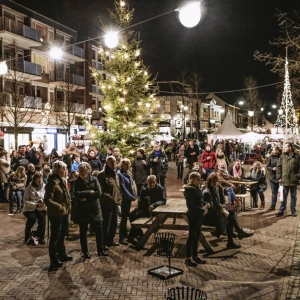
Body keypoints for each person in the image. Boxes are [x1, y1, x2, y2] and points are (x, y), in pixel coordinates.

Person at [202, 174, 253, 249]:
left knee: (230, 215)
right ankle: (237, 234)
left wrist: (223, 207)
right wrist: (223, 207)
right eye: (213, 181)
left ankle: (233, 238)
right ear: (209, 182)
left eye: (216, 181)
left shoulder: (218, 187)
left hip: (218, 212)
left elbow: (222, 200)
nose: (215, 183)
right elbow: (211, 208)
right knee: (230, 217)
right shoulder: (206, 192)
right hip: (210, 216)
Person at [73, 162, 108, 258]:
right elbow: (76, 194)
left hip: (94, 209)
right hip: (82, 210)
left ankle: (100, 250)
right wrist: (89, 192)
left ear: (87, 171)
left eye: (83, 171)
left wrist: (85, 197)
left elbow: (98, 193)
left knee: (99, 231)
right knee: (83, 231)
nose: (81, 173)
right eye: (80, 171)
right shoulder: (77, 182)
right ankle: (85, 252)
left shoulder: (94, 179)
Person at [44, 160, 72, 270]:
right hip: (56, 214)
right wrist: (59, 206)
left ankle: (62, 254)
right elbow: (48, 200)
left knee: (62, 234)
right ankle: (54, 259)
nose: (65, 171)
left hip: (64, 213)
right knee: (55, 236)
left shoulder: (62, 182)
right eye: (63, 170)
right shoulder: (52, 183)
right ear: (58, 171)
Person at [128, 175, 166, 244]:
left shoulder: (160, 188)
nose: (151, 184)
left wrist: (154, 204)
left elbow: (163, 200)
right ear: (147, 181)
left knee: (137, 215)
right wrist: (143, 202)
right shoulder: (144, 188)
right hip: (143, 207)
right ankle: (138, 231)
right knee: (131, 214)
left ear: (156, 182)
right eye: (150, 182)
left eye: (153, 182)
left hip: (152, 210)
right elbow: (140, 198)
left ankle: (132, 236)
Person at [183, 172, 209, 267]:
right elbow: (191, 206)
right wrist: (202, 210)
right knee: (191, 236)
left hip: (199, 215)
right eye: (197, 179)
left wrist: (205, 203)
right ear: (192, 179)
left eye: (200, 179)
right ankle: (188, 257)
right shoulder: (190, 190)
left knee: (197, 236)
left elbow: (200, 200)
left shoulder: (197, 188)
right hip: (193, 215)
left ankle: (195, 255)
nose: (199, 180)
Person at [97, 156, 122, 249]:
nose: (113, 163)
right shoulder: (102, 175)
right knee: (106, 224)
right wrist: (111, 198)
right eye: (111, 162)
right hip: (106, 203)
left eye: (114, 162)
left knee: (114, 223)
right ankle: (103, 243)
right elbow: (101, 191)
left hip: (115, 203)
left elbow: (117, 187)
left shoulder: (115, 173)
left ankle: (110, 240)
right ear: (107, 163)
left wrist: (118, 198)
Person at [276, 142, 300, 217]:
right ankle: (281, 210)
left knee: (293, 197)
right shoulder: (282, 156)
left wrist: (298, 176)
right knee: (283, 196)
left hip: (293, 180)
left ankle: (293, 210)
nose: (284, 148)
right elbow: (279, 167)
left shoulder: (297, 157)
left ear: (290, 148)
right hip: (284, 180)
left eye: (286, 147)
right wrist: (279, 177)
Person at [23, 172, 47, 245]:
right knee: (32, 218)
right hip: (30, 208)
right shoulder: (29, 188)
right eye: (38, 179)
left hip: (41, 207)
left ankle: (41, 236)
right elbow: (25, 200)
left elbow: (47, 197)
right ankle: (27, 236)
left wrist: (42, 201)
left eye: (41, 178)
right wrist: (34, 204)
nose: (40, 180)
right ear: (34, 180)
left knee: (42, 219)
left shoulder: (45, 187)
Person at [117, 158, 137, 245]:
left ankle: (125, 234)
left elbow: (131, 184)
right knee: (124, 218)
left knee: (125, 217)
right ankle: (122, 237)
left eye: (129, 164)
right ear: (122, 165)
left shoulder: (128, 173)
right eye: (126, 164)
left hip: (128, 198)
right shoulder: (120, 174)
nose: (128, 166)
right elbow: (123, 188)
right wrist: (130, 196)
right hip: (124, 199)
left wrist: (134, 194)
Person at [266, 146, 281, 211]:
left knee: (281, 193)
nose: (273, 151)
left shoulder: (281, 157)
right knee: (274, 192)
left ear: (278, 150)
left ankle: (282, 207)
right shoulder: (271, 157)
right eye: (273, 150)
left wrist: (279, 169)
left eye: (275, 150)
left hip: (280, 177)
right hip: (272, 177)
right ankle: (273, 205)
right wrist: (272, 168)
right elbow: (267, 166)